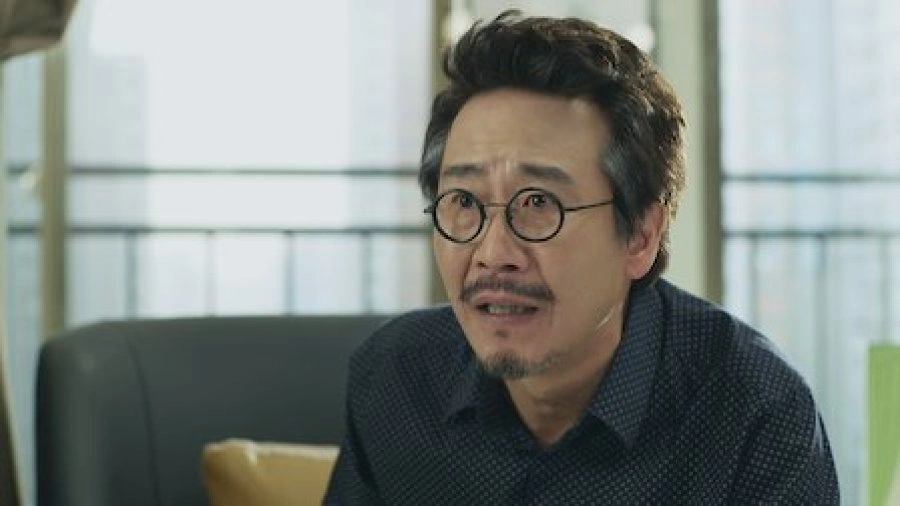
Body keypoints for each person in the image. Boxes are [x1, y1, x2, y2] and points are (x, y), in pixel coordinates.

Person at [325, 10, 839, 504]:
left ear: (640, 236)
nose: (494, 254)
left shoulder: (753, 412)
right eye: (463, 202)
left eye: (538, 204)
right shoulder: (395, 380)